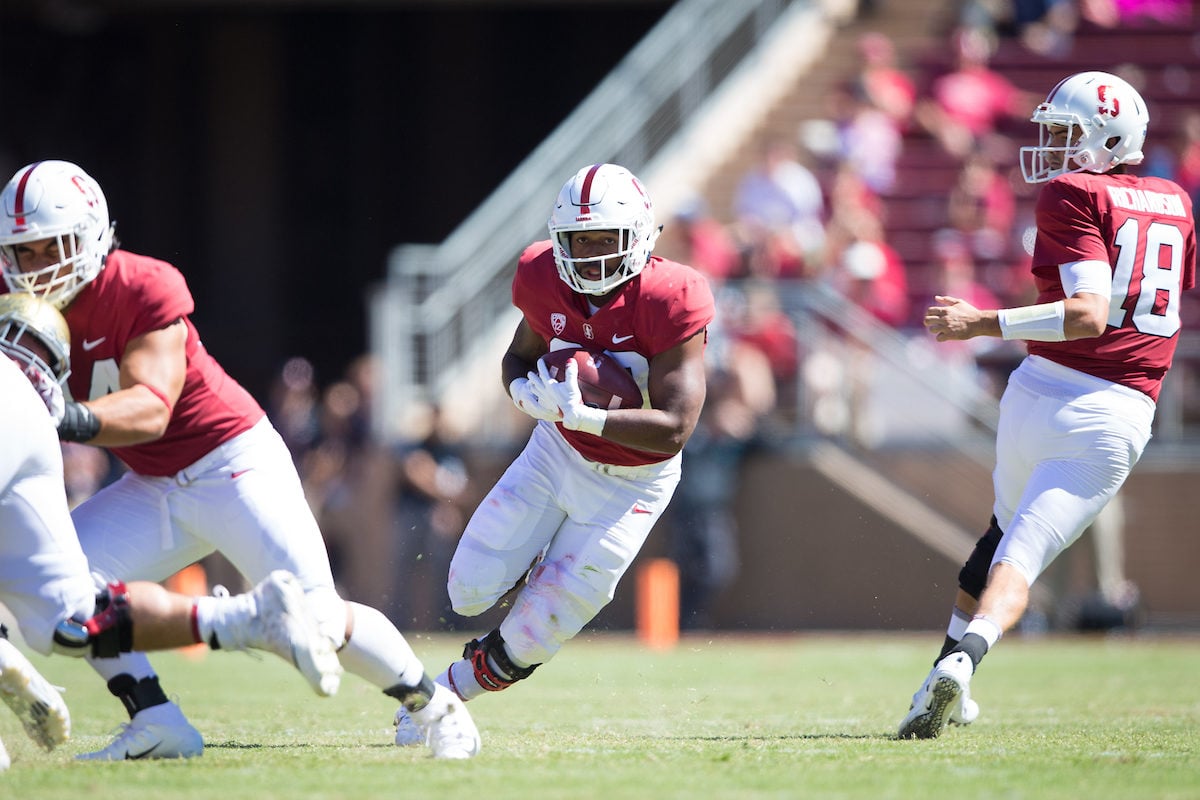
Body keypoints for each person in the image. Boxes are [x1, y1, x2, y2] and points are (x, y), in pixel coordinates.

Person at [0, 160, 479, 760]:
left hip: (229, 461)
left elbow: (151, 406)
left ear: (93, 233)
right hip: (149, 484)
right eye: (22, 252)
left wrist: (57, 416)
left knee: (318, 620)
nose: (38, 268)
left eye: (52, 247)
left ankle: (435, 707)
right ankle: (155, 720)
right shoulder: (8, 299)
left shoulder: (143, 285)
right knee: (57, 596)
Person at [899, 71, 1196, 739]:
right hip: (1113, 414)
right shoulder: (1175, 200)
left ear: (1110, 137)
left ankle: (942, 677)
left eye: (1067, 133)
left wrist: (979, 323)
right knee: (1019, 559)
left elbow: (1089, 314)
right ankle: (964, 664)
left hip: (1038, 395)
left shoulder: (1072, 193)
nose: (1054, 146)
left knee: (1002, 539)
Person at [392, 163, 714, 742]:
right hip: (556, 451)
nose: (590, 258)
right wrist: (522, 392)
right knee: (465, 590)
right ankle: (530, 578)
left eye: (604, 241)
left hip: (633, 480)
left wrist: (591, 415)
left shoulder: (672, 296)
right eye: (578, 241)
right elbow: (517, 357)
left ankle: (452, 687)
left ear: (640, 234)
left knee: (541, 626)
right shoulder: (541, 276)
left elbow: (675, 427)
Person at [0, 293, 341, 764]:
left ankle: (244, 623)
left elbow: (152, 409)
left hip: (216, 471)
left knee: (70, 613)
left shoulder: (136, 302)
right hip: (70, 487)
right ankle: (227, 638)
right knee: (73, 613)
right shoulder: (36, 402)